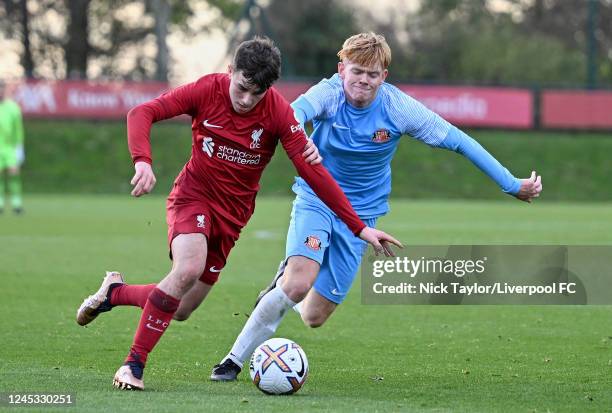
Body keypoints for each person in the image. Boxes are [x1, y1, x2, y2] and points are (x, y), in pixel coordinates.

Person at [210, 32, 543, 381]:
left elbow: (459, 141)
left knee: (313, 317)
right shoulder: (328, 93)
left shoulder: (399, 108)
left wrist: (510, 183)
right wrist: (297, 135)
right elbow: (292, 113)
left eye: (373, 74)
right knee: (297, 284)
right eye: (357, 71)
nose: (363, 81)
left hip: (362, 217)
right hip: (317, 200)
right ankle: (232, 361)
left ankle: (282, 287)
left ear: (384, 76)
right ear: (342, 70)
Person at [75, 36, 401, 391]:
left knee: (181, 308)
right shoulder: (206, 90)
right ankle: (132, 366)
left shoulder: (278, 113)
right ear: (231, 71)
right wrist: (143, 161)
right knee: (186, 269)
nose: (246, 100)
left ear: (269, 88)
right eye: (242, 88)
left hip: (233, 217)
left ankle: (115, 293)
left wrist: (359, 228)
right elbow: (142, 112)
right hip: (193, 196)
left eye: (256, 94)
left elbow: (314, 174)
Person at [0, 80, 25, 214]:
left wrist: (19, 149)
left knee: (14, 174)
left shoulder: (13, 108)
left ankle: (17, 204)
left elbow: (18, 130)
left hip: (10, 148)